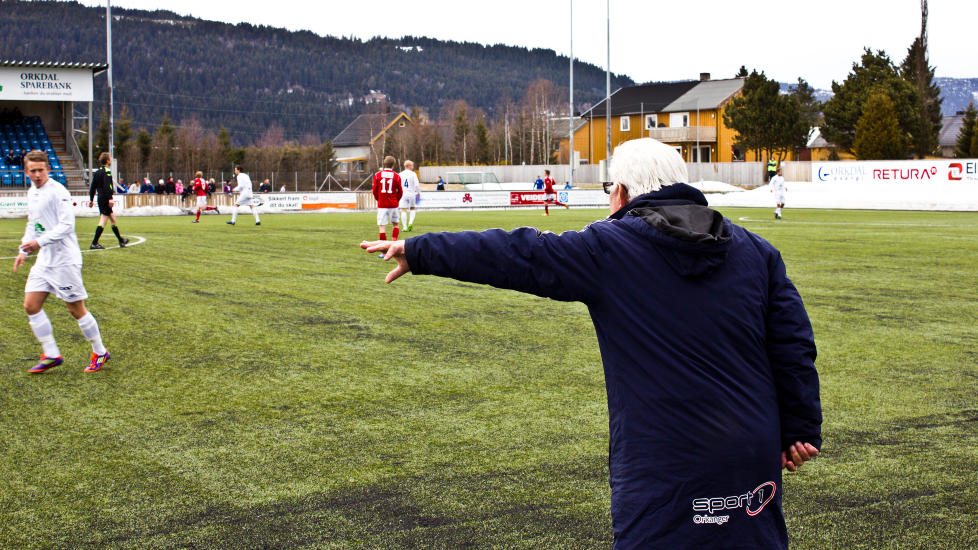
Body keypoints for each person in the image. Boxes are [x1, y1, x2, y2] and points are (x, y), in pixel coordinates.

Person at [361, 138, 821, 549]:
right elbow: (793, 344)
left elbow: (519, 254)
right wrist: (799, 427)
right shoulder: (756, 251)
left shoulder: (610, 248)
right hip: (750, 451)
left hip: (663, 458)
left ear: (620, 192)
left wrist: (419, 252)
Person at [14, 150, 111, 374]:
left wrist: (38, 242)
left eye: (41, 170)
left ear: (48, 169)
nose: (37, 175)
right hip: (45, 260)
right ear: (26, 172)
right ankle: (51, 354)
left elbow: (67, 226)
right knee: (31, 305)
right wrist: (23, 250)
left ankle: (100, 351)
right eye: (33, 171)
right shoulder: (32, 192)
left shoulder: (58, 192)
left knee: (76, 309)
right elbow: (33, 223)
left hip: (65, 260)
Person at [87, 152, 129, 250]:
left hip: (100, 198)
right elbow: (108, 186)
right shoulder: (107, 171)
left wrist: (91, 199)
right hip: (105, 198)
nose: (111, 160)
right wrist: (110, 198)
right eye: (110, 158)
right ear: (107, 161)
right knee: (103, 221)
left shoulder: (97, 172)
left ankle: (121, 240)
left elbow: (92, 187)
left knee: (113, 219)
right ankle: (94, 243)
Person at [372, 155, 403, 242]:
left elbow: (374, 191)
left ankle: (384, 248)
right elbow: (400, 192)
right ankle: (394, 242)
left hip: (382, 205)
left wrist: (379, 199)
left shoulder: (377, 175)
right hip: (394, 205)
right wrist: (396, 201)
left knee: (382, 228)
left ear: (384, 164)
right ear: (393, 165)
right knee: (396, 224)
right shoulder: (397, 176)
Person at [398, 159, 421, 231]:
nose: (413, 167)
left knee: (403, 210)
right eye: (412, 165)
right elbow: (416, 185)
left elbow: (398, 185)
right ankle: (410, 223)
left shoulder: (400, 174)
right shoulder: (413, 174)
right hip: (411, 193)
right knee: (412, 208)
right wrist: (418, 193)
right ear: (409, 166)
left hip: (403, 193)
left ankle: (404, 227)